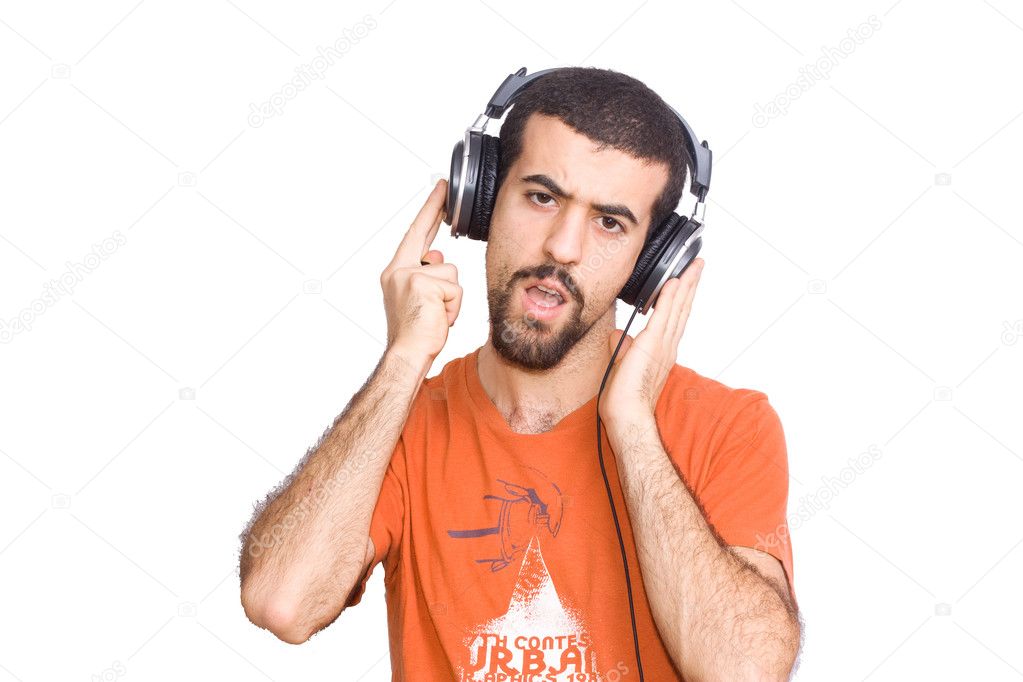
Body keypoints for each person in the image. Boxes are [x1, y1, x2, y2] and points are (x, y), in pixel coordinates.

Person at [238, 67, 802, 681]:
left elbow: (746, 672)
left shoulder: (728, 426)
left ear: (654, 266)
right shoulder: (400, 424)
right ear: (478, 202)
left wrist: (633, 425)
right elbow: (281, 603)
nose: (563, 247)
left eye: (609, 222)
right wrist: (403, 358)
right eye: (541, 197)